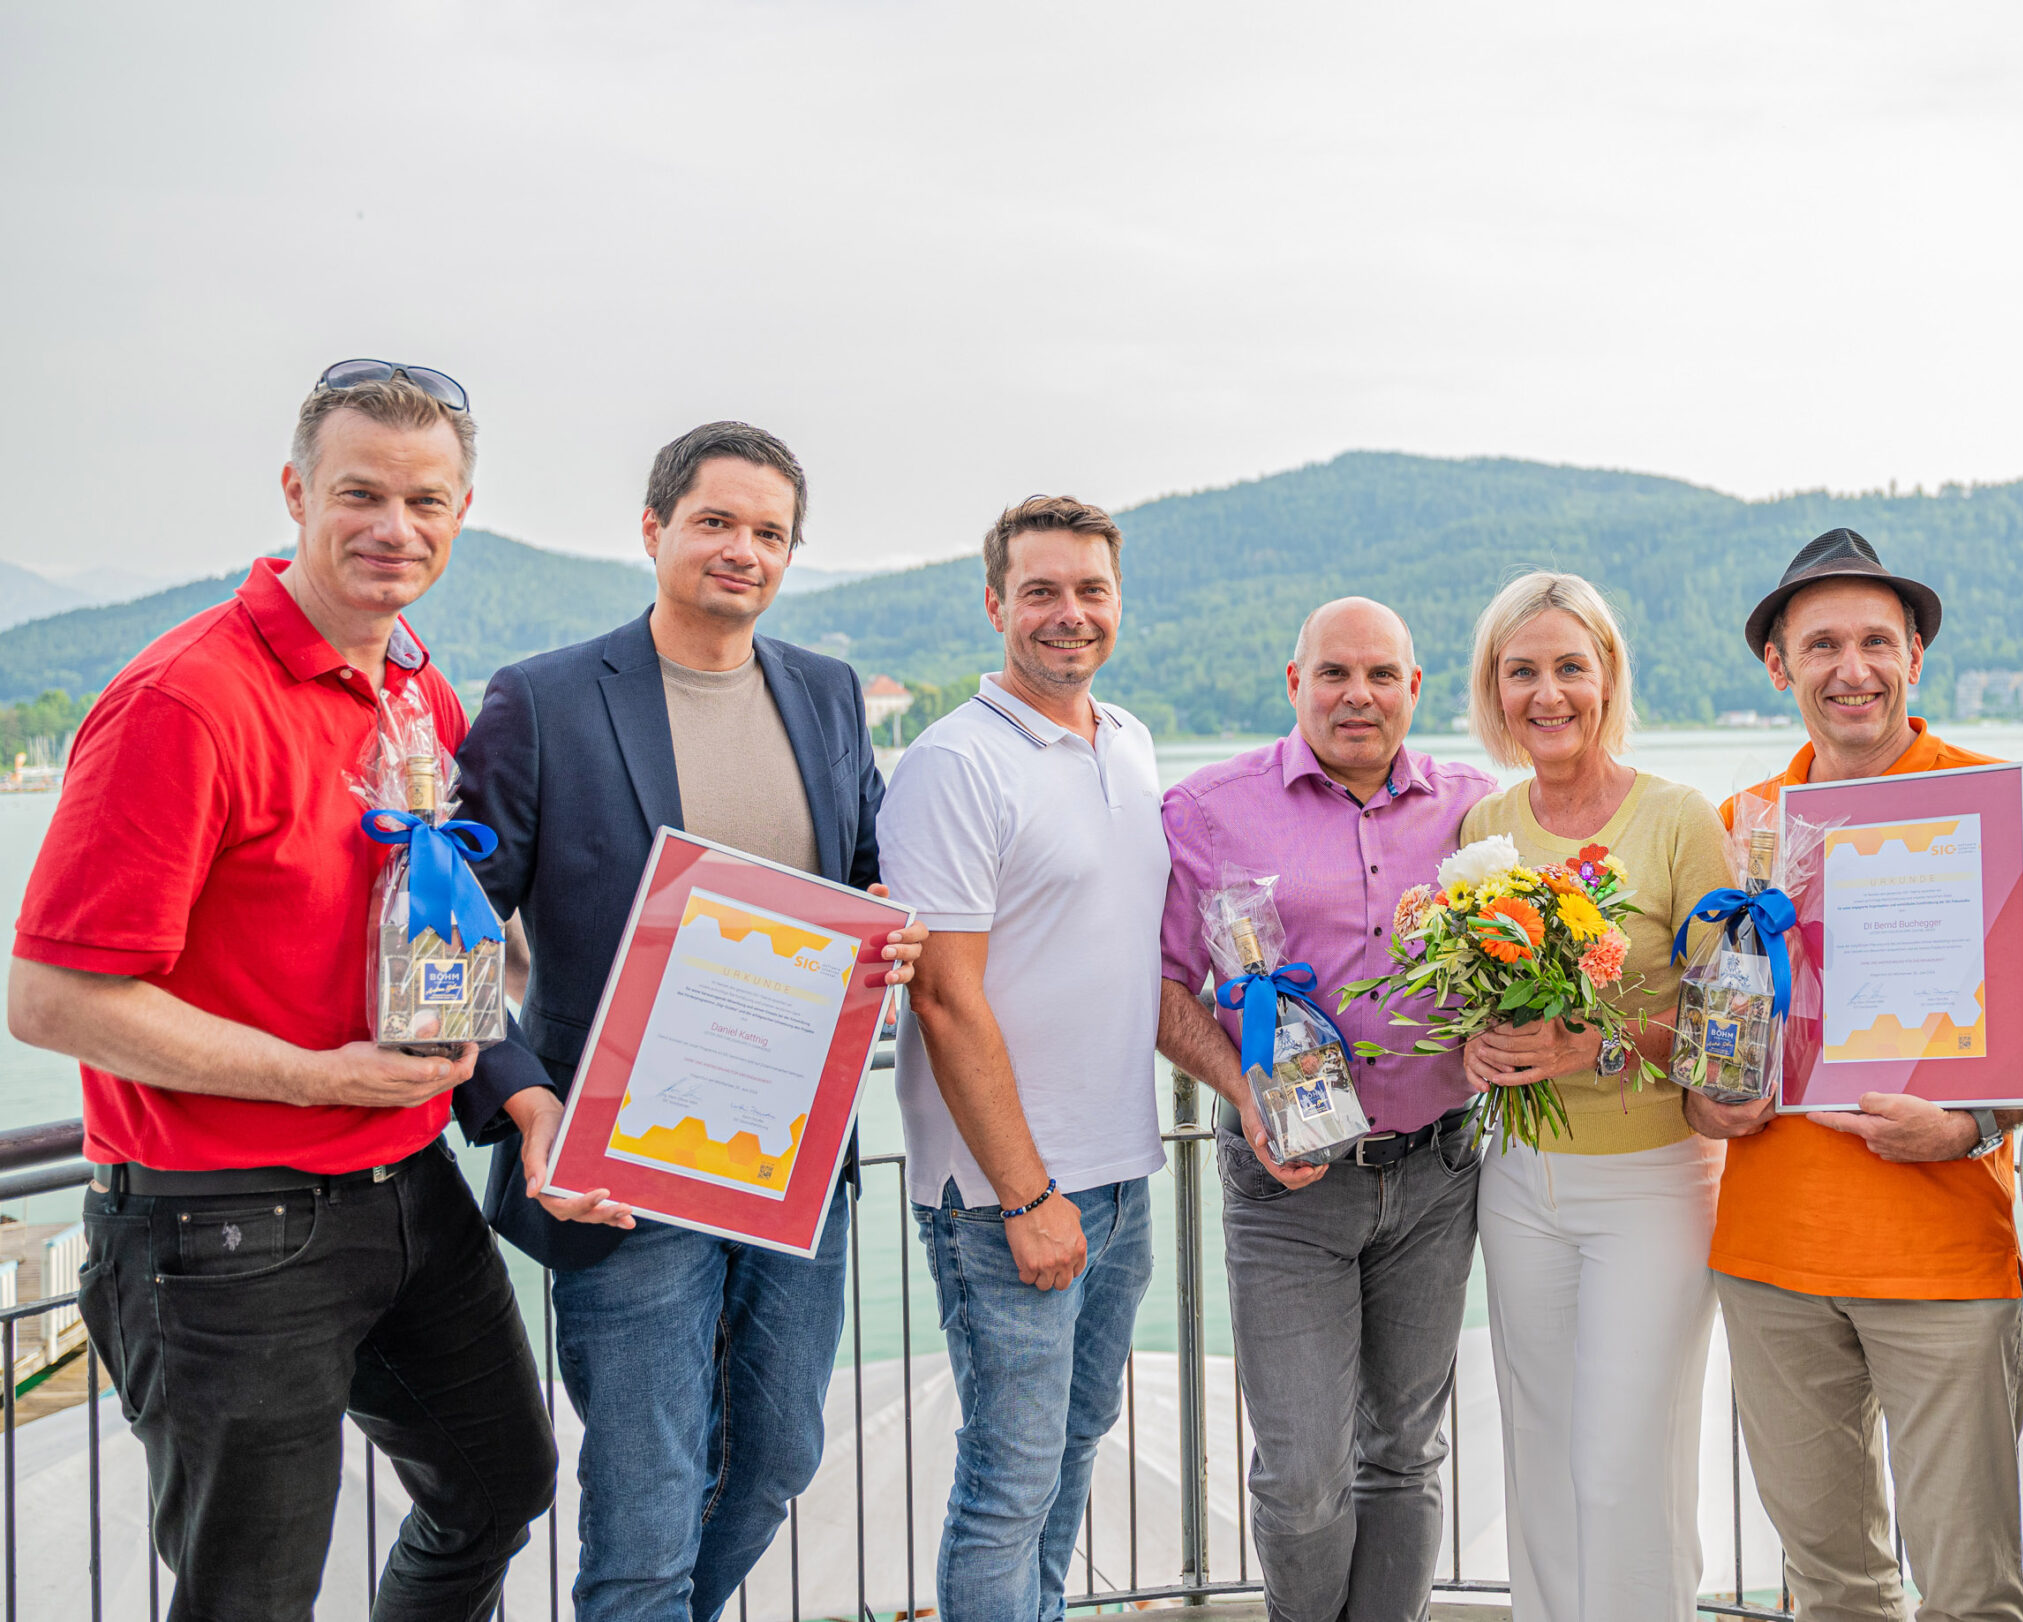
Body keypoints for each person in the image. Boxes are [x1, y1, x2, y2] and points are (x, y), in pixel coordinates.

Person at [6, 362, 554, 1619]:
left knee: (499, 1482)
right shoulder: (185, 700)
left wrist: (514, 1042)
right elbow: (52, 999)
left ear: (462, 512)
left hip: (409, 1181)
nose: (393, 527)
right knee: (249, 1592)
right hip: (225, 1223)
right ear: (297, 491)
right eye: (360, 492)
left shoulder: (416, 687)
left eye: (426, 501)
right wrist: (318, 1076)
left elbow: (427, 921)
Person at [450, 421, 923, 1619]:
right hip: (619, 1166)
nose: (743, 550)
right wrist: (522, 1098)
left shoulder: (823, 692)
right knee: (646, 1504)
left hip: (791, 1161)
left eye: (770, 532)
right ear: (654, 529)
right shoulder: (543, 699)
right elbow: (449, 932)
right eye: (716, 521)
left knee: (774, 1457)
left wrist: (890, 922)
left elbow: (864, 864)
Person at [1687, 528, 2023, 1622]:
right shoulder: (1742, 827)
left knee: (1971, 1591)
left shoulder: (2000, 805)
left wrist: (1972, 1125)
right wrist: (1707, 1095)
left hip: (1942, 1252)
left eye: (1874, 639)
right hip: (1769, 1255)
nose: (1848, 666)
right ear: (1778, 665)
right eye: (1820, 643)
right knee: (1831, 1586)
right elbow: (1707, 1044)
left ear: (1915, 653)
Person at [1155, 597, 1495, 1622]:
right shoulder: (1205, 809)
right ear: (1292, 681)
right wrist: (1242, 1088)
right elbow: (1163, 988)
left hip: (1438, 1169)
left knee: (1403, 1448)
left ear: (1415, 689)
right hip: (1286, 1181)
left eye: (1381, 674)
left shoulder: (1477, 810)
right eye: (1335, 673)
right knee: (1302, 1470)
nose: (1359, 694)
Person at [881, 496, 1168, 1622]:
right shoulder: (955, 764)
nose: (1068, 615)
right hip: (1007, 1188)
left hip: (1119, 1169)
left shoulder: (1132, 742)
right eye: (1040, 591)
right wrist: (1026, 1190)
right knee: (1008, 1477)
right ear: (996, 603)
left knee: (1071, 1445)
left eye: (1090, 590)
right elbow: (945, 1000)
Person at [1457, 571, 1729, 1622]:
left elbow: (1724, 1026)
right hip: (1519, 1181)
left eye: (1571, 665)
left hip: (1652, 1185)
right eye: (1522, 670)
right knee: (1542, 1453)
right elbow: (1479, 995)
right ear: (1495, 687)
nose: (1548, 691)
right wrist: (1480, 1047)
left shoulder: (1677, 819)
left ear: (1608, 676)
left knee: (1626, 1463)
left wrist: (1596, 1042)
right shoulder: (1487, 821)